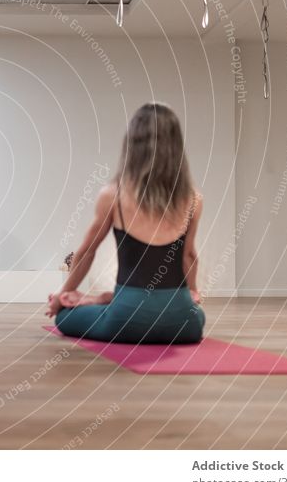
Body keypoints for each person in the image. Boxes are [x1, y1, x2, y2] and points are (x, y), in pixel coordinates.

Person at [47, 103, 205, 344]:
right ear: (176, 147)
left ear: (132, 145)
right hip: (183, 325)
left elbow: (87, 251)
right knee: (199, 316)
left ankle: (102, 301)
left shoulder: (113, 195)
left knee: (65, 317)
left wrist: (62, 295)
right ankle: (103, 299)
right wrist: (191, 294)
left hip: (126, 320)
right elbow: (189, 256)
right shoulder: (193, 198)